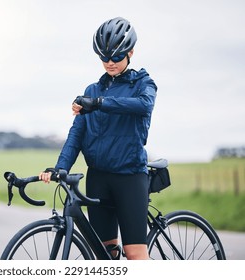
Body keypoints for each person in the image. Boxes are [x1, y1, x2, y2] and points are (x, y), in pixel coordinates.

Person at [39, 17, 157, 260]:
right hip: (98, 179)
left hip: (129, 178)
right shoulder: (91, 91)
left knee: (134, 254)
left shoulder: (143, 84)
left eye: (115, 57)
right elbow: (77, 134)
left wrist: (100, 104)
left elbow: (144, 105)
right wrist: (61, 167)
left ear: (130, 52)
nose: (109, 63)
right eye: (104, 57)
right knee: (105, 255)